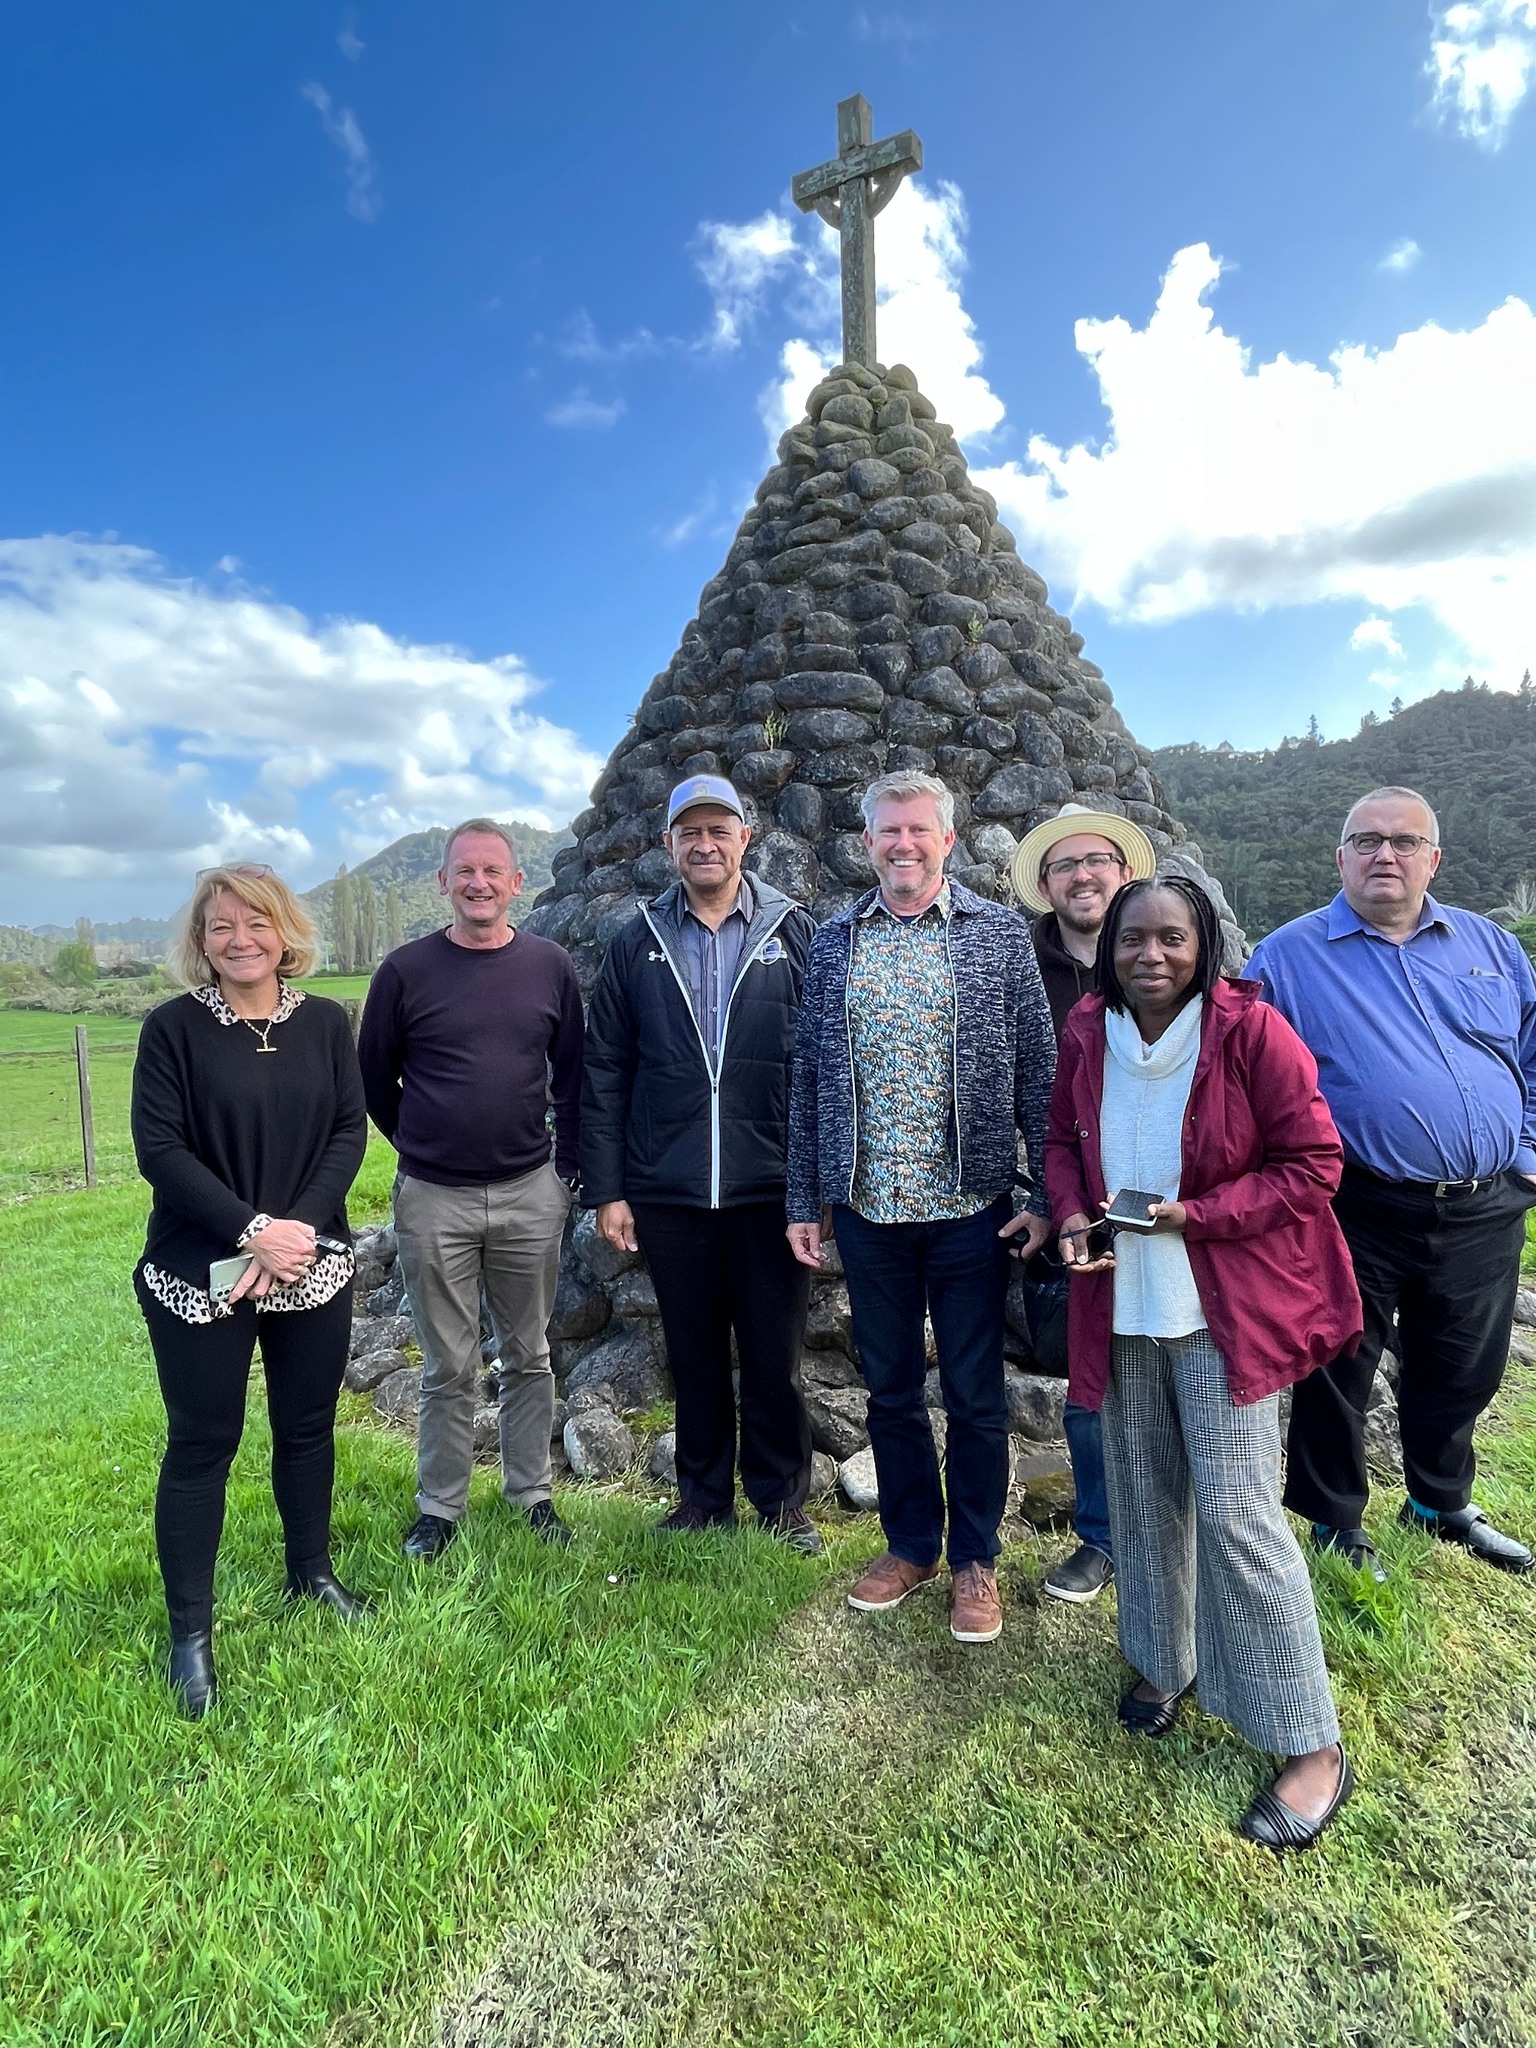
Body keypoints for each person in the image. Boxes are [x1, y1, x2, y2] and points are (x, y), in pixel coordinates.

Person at [1047, 872, 1362, 1849]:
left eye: (1171, 937)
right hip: (1125, 1307)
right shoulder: (1089, 1031)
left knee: (1235, 1515)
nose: (1150, 953)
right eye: (1134, 938)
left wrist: (1199, 1215)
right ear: (1110, 948)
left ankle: (1310, 1742)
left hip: (1226, 1312)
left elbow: (1314, 1163)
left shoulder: (1247, 1031)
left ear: (1204, 943)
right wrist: (1067, 1213)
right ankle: (1164, 1658)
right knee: (1143, 1500)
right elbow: (1062, 1138)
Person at [787, 771, 1055, 1644]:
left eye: (918, 831)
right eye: (887, 833)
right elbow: (810, 1081)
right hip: (868, 1207)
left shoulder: (996, 936)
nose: (904, 845)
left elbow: (1038, 1074)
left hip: (970, 1205)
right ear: (867, 845)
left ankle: (976, 1556)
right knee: (892, 1389)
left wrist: (1051, 1195)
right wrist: (807, 1198)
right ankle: (912, 1544)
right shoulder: (834, 943)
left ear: (948, 838)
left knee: (976, 1394)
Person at [1248, 786, 1536, 1578]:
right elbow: (1247, 1081)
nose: (1386, 855)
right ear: (1339, 857)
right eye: (1367, 841)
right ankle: (1335, 1519)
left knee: (1464, 1361)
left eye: (1405, 842)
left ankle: (1439, 1500)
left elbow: (1534, 1050)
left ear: (1433, 859)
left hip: (1486, 1202)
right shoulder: (1286, 957)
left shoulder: (1492, 947)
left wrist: (1528, 1152)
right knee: (1338, 1359)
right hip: (1355, 1202)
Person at [131, 864, 370, 1718]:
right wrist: (250, 1232)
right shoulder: (171, 1031)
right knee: (203, 1444)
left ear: (284, 931)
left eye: (256, 923)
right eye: (221, 926)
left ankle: (312, 1574)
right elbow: (160, 1151)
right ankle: (190, 1635)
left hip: (308, 1260)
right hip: (204, 1270)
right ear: (201, 941)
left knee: (306, 1430)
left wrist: (295, 1231)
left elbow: (349, 1129)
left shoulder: (328, 1025)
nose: (240, 939)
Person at [582, 774, 820, 1548]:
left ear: (746, 839)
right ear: (669, 846)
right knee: (694, 1354)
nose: (705, 844)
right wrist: (609, 1188)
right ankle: (702, 1499)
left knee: (774, 1356)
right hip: (669, 1188)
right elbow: (606, 1068)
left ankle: (782, 1504)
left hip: (769, 1186)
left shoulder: (795, 932)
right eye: (690, 832)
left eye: (720, 830)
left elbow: (822, 1067)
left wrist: (812, 1186)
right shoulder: (637, 940)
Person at [358, 818, 584, 1560]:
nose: (479, 884)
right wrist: (425, 1145)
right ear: (443, 883)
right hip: (433, 1197)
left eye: (494, 871)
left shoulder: (550, 967)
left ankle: (532, 1493)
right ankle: (440, 1507)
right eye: (465, 872)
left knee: (529, 1353)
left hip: (529, 1190)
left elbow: (575, 1077)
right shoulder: (403, 971)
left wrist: (565, 1169)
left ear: (517, 883)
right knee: (448, 1363)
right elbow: (374, 1080)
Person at [1010, 802, 1156, 1605]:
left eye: (1098, 860)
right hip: (1070, 1203)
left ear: (1126, 873)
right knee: (1089, 1382)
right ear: (1045, 883)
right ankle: (1100, 1536)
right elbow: (1011, 1097)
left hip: (1171, 1202)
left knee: (1182, 1366)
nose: (1084, 875)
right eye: (1066, 865)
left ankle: (1180, 1529)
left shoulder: (1168, 956)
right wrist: (1044, 1200)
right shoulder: (1014, 963)